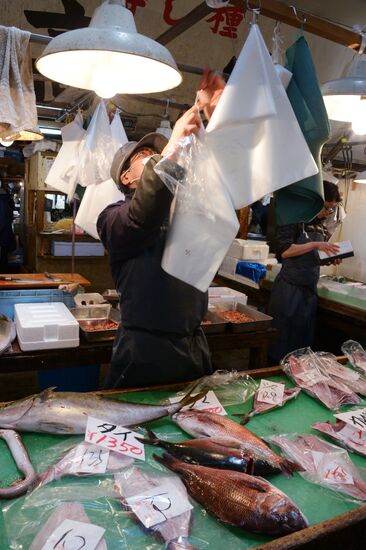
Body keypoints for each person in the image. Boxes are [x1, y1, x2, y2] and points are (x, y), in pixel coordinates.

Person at [97, 78, 222, 389]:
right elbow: (144, 214)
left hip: (194, 348)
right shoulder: (113, 218)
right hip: (143, 352)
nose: (157, 156)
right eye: (147, 155)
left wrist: (207, 123)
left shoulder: (187, 212)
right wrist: (174, 145)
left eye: (159, 152)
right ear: (125, 178)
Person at [268, 181, 342, 363]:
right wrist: (315, 244)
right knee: (282, 340)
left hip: (309, 291)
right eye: (326, 207)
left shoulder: (320, 226)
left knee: (301, 344)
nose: (327, 213)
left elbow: (312, 257)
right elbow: (284, 251)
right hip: (289, 289)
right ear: (313, 202)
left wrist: (330, 258)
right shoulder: (293, 219)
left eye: (331, 209)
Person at [0, 182, 16, 273]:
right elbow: (10, 215)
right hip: (6, 231)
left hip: (4, 230)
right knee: (4, 256)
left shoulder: (4, 199)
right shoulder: (8, 198)